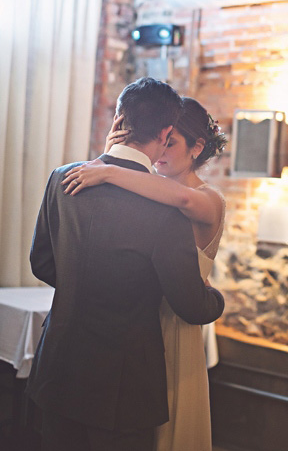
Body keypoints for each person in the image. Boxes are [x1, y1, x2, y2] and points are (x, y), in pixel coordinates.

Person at [26, 78, 225, 451]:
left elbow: (42, 264)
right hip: (122, 385)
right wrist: (218, 300)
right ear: (166, 133)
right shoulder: (164, 211)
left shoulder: (63, 178)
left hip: (58, 369)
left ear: (119, 117)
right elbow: (191, 304)